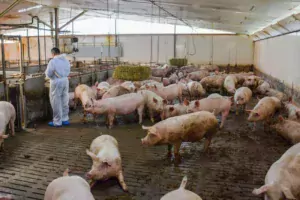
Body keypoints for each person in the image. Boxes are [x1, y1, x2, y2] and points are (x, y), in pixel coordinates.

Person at [45, 47, 71, 127]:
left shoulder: (53, 61)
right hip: (65, 80)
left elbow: (49, 73)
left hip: (56, 81)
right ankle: (65, 119)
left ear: (53, 54)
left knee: (56, 101)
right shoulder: (66, 60)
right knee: (64, 99)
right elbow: (68, 71)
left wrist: (51, 77)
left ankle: (57, 121)